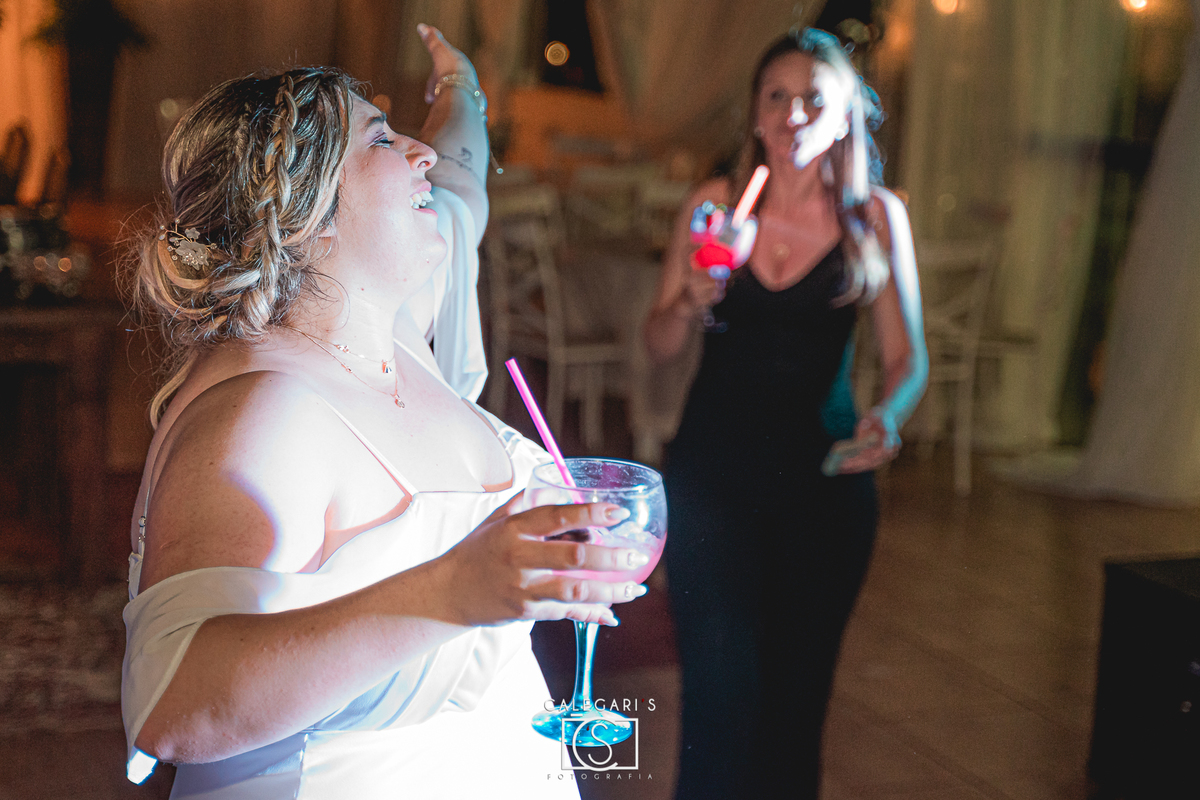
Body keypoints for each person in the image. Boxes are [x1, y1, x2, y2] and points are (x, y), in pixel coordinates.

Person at [120, 25, 651, 799]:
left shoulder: (393, 330)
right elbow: (174, 707)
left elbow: (460, 177)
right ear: (308, 215)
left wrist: (462, 90)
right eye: (380, 138)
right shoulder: (259, 413)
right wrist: (454, 593)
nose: (421, 153)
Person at [643, 28, 928, 799]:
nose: (793, 113)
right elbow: (658, 344)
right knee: (716, 692)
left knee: (795, 707)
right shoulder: (714, 206)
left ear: (844, 117)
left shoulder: (874, 217)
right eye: (777, 96)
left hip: (823, 484)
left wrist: (889, 415)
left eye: (813, 99)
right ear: (755, 113)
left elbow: (907, 359)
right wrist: (688, 298)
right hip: (712, 480)